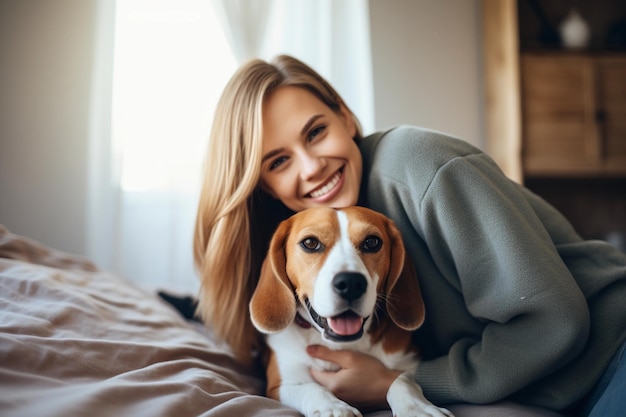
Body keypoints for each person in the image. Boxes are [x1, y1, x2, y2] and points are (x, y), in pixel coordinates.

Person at [192, 54, 626, 416]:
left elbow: (556, 321)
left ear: (345, 115)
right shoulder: (299, 231)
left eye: (316, 132)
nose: (311, 167)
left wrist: (398, 383)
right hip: (551, 386)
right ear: (262, 184)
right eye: (278, 161)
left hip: (611, 352)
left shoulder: (417, 166)